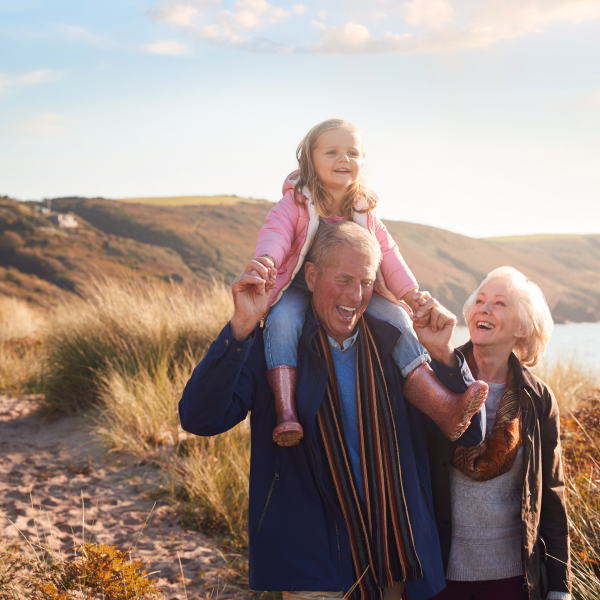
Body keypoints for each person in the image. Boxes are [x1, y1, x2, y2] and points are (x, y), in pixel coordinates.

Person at [179, 221, 486, 600]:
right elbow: (200, 419)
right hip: (311, 563)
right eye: (343, 279)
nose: (356, 295)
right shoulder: (274, 350)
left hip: (396, 558)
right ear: (310, 275)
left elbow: (468, 436)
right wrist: (241, 326)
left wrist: (443, 355)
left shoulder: (396, 347)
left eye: (366, 282)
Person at [255, 118, 486, 446]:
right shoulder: (296, 202)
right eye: (332, 151)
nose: (343, 159)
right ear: (310, 158)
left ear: (363, 162)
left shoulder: (364, 210)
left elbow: (387, 253)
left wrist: (410, 293)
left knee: (398, 318)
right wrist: (267, 261)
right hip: (299, 285)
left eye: (352, 152)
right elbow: (276, 232)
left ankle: (443, 405)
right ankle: (287, 412)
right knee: (281, 321)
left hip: (355, 287)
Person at [427, 266, 572, 600]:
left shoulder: (538, 399)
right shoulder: (436, 377)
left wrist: (560, 586)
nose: (485, 308)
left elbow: (551, 492)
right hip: (436, 576)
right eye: (480, 300)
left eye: (500, 303)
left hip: (513, 581)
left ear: (521, 327)